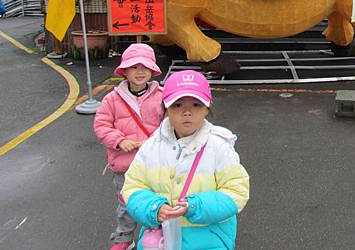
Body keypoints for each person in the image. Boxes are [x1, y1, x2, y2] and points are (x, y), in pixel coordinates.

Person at [122, 70, 250, 250]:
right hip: (160, 239)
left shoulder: (219, 147)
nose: (187, 112)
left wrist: (196, 206)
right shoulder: (151, 147)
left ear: (207, 108)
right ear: (166, 109)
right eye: (178, 104)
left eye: (196, 105)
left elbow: (237, 191)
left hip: (209, 238)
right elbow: (133, 186)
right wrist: (154, 208)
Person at [94, 43, 165, 250]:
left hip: (155, 163)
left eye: (145, 67)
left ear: (152, 69)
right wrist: (119, 140)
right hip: (125, 165)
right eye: (134, 67)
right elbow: (101, 124)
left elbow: (168, 126)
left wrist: (152, 141)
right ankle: (124, 237)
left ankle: (156, 232)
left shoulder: (162, 96)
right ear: (124, 70)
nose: (140, 71)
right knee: (126, 205)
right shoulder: (112, 99)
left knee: (156, 200)